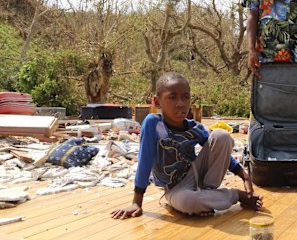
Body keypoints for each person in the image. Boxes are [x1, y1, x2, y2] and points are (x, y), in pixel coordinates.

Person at [111, 72, 262, 219]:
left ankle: (207, 195)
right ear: (157, 102)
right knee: (188, 202)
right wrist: (136, 202)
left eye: (185, 97)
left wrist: (245, 176)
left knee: (221, 136)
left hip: (196, 174)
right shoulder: (153, 123)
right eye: (172, 97)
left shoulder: (194, 127)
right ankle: (235, 195)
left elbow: (219, 149)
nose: (180, 104)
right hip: (175, 189)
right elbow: (145, 160)